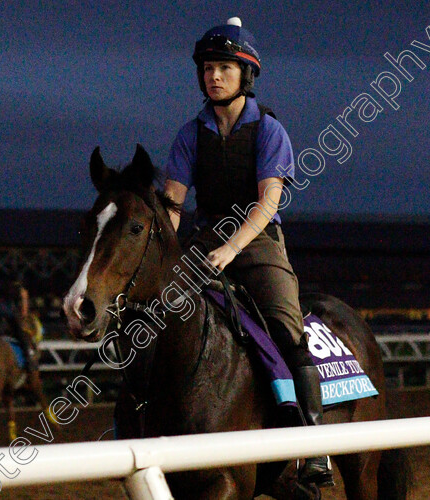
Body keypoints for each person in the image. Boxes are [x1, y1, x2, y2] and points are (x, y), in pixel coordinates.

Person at [164, 17, 333, 488]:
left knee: (286, 327)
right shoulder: (188, 133)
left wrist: (231, 247)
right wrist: (171, 254)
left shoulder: (269, 130)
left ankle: (315, 447)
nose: (212, 76)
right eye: (207, 69)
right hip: (203, 241)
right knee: (156, 314)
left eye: (223, 68)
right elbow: (173, 205)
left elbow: (268, 203)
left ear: (246, 75)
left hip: (255, 241)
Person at [0, 282, 39, 373]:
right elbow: (12, 319)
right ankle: (29, 361)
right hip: (1, 328)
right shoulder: (7, 304)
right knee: (23, 337)